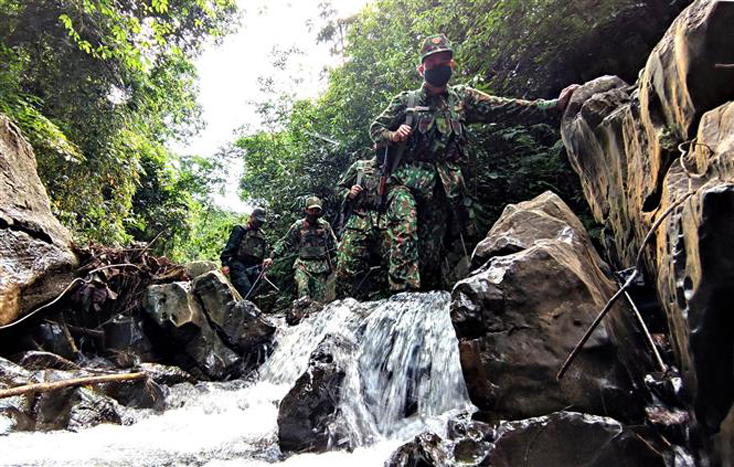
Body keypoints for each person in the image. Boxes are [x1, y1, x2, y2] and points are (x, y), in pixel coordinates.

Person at [369, 33, 578, 291]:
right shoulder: (407, 101)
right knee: (405, 228)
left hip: (443, 187)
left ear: (452, 65)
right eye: (431, 63)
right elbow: (375, 128)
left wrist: (553, 106)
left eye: (443, 61)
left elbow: (504, 108)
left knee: (431, 251)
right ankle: (401, 298)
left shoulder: (462, 99)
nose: (437, 67)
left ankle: (426, 303)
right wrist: (393, 134)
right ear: (421, 68)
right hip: (406, 182)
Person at [334, 156, 389, 299]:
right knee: (345, 267)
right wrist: (349, 194)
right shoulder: (360, 167)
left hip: (384, 221)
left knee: (393, 261)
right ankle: (342, 305)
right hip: (357, 220)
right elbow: (338, 189)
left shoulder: (392, 167)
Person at [265, 196, 337, 302]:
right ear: (306, 210)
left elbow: (334, 245)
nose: (314, 212)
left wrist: (338, 260)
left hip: (321, 267)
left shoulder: (325, 226)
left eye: (317, 210)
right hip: (303, 265)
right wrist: (272, 256)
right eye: (312, 210)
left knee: (319, 300)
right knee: (303, 292)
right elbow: (285, 242)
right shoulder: (298, 226)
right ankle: (301, 314)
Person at [220, 207, 272, 299]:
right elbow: (229, 248)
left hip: (254, 268)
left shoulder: (262, 235)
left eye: (261, 222)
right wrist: (225, 264)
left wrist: (262, 269)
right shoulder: (240, 229)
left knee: (255, 294)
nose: (259, 223)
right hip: (238, 266)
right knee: (246, 292)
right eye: (257, 220)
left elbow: (262, 254)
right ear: (252, 217)